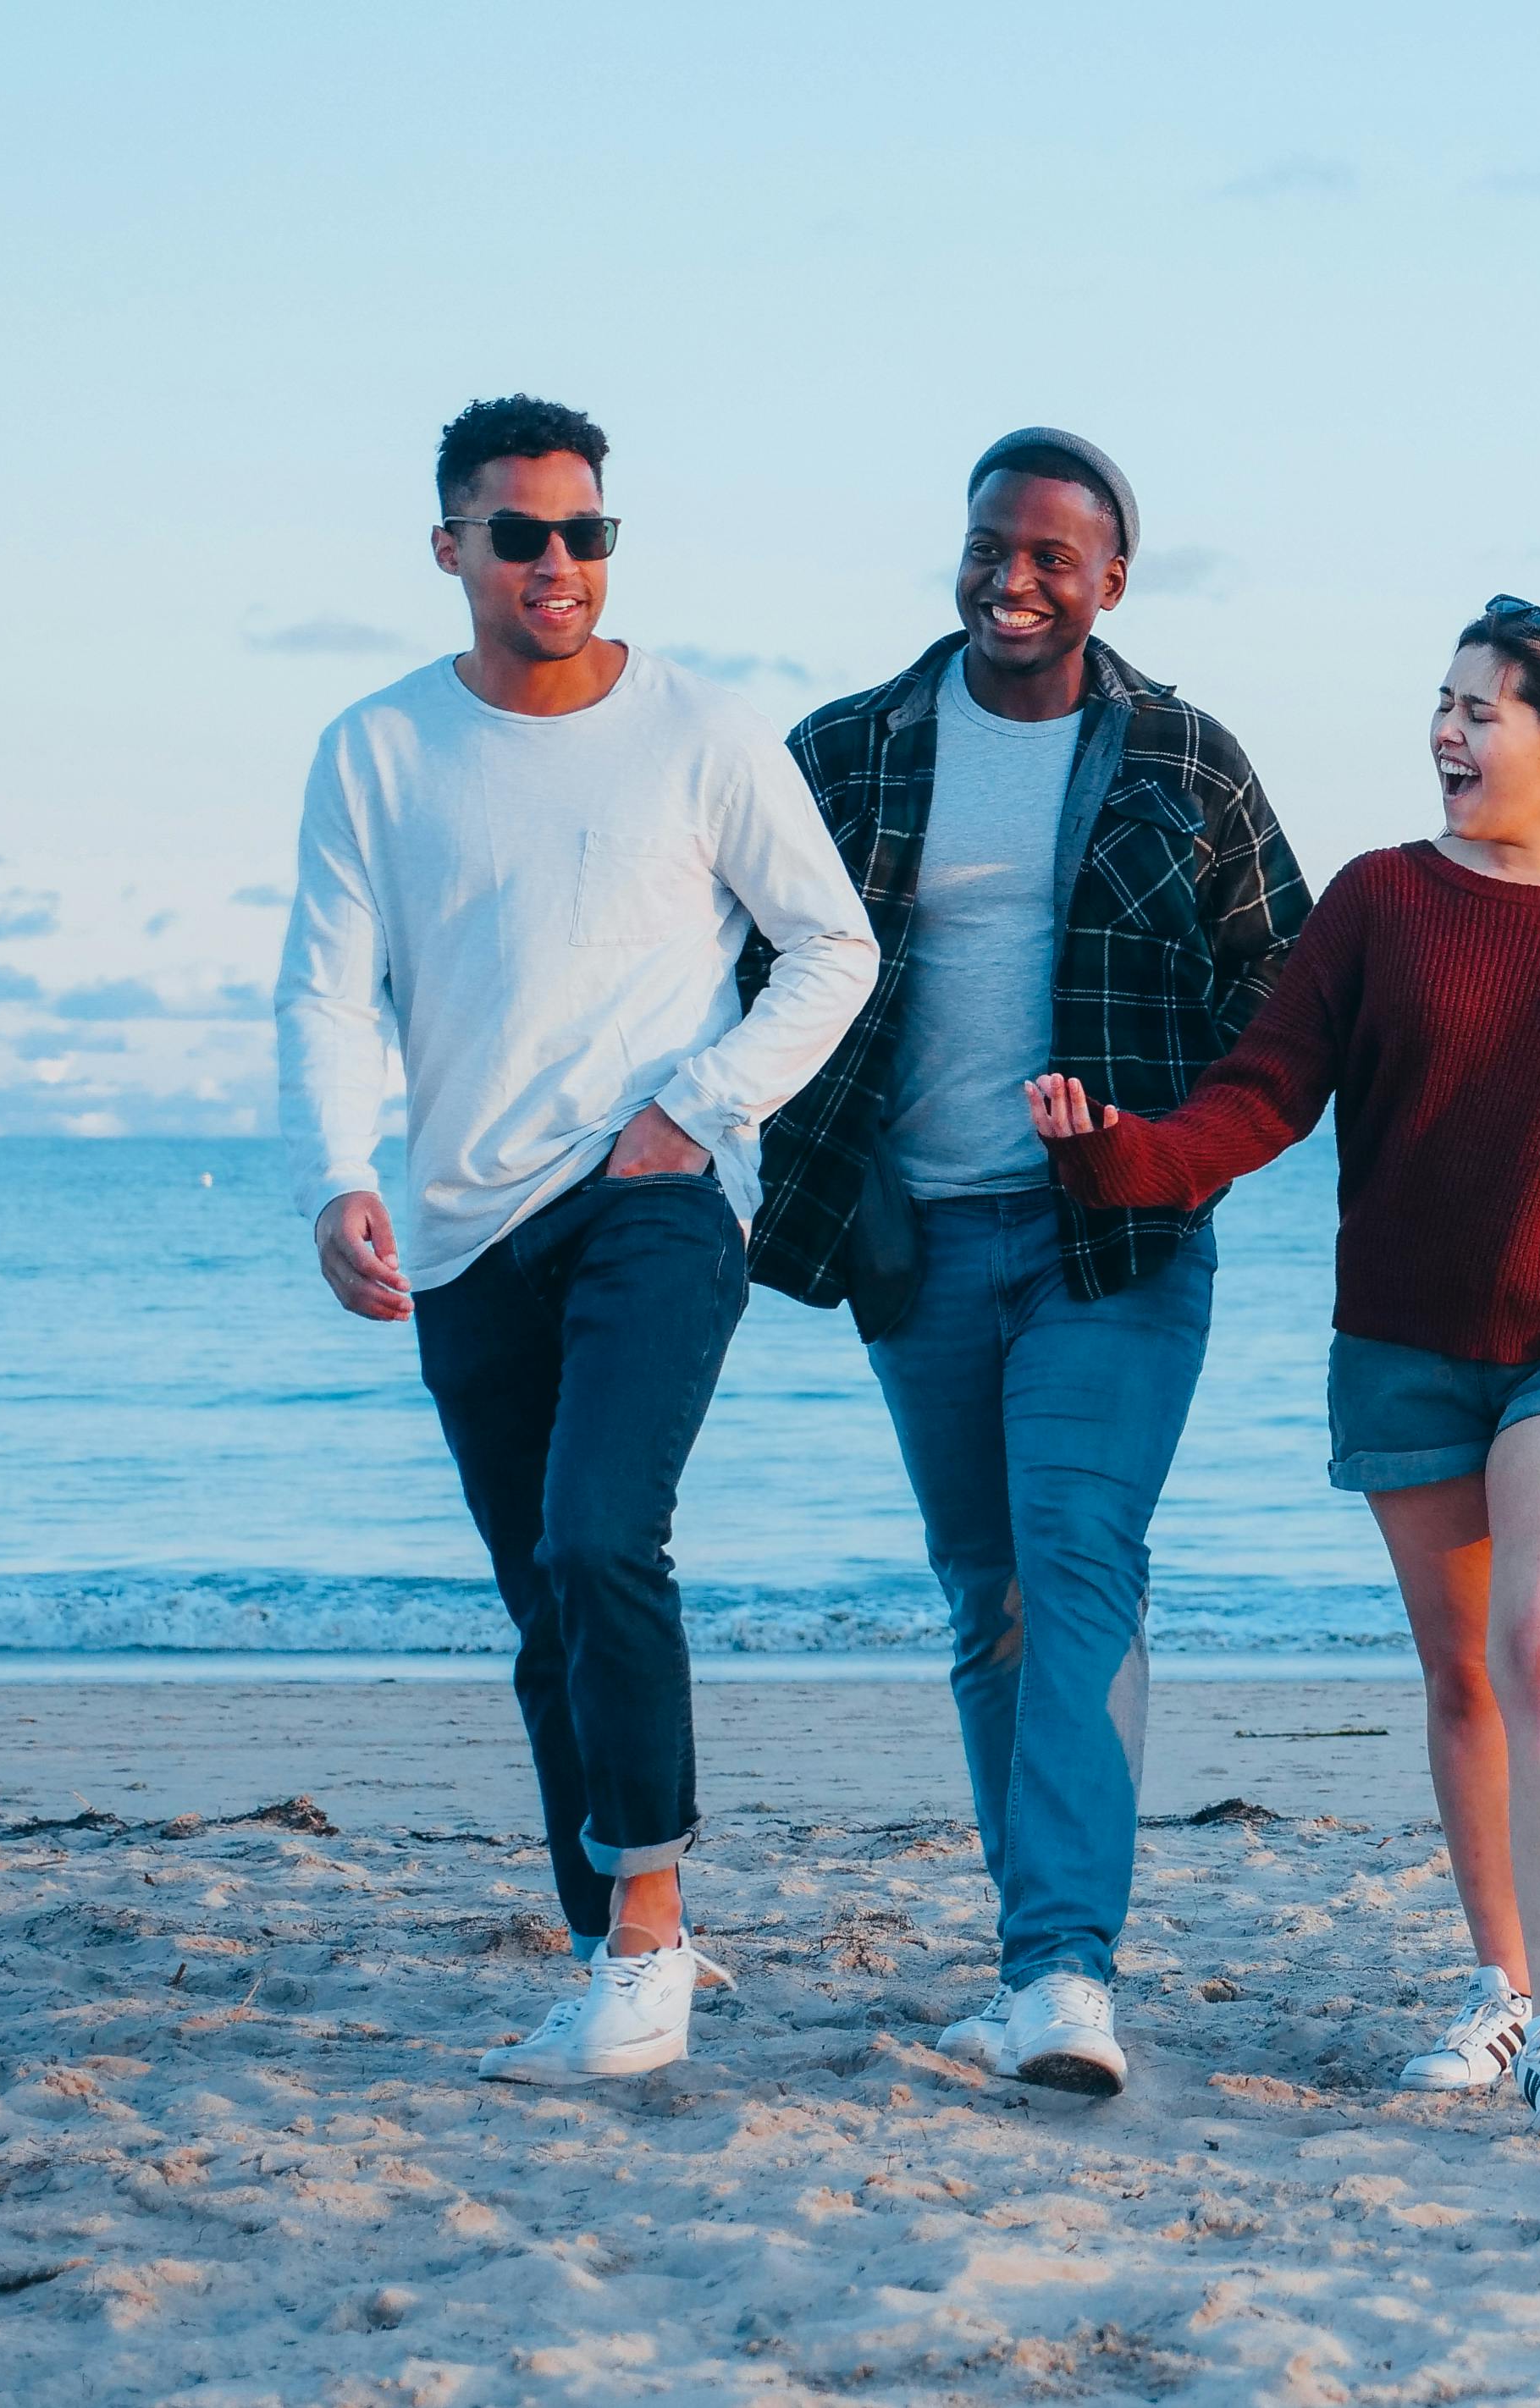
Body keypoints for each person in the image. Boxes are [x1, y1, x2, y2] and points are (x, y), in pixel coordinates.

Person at [1034, 598, 1540, 2140]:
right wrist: (1123, 1156)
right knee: (1463, 1680)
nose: (1448, 734)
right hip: (1405, 1344)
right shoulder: (1380, 902)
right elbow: (1260, 1099)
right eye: (1440, 704)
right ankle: (1502, 1994)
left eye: (1483, 711)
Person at [277, 394, 876, 2082]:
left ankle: (647, 1939)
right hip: (466, 1231)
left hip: (650, 1201)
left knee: (605, 1534)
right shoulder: (376, 749)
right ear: (451, 546)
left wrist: (699, 1104)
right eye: (522, 533)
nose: (559, 562)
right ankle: (622, 1926)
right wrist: (334, 1175)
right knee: (547, 1597)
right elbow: (324, 990)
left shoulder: (699, 731)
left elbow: (831, 944)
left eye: (585, 533)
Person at [748, 430, 1310, 2097]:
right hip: (913, 1244)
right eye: (991, 544)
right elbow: (734, 966)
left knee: (1076, 1570)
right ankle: (1035, 1957)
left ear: (1109, 580)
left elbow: (1277, 994)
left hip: (1112, 1240)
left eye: (1052, 556)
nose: (1012, 577)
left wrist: (1158, 1135)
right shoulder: (842, 751)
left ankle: (1063, 1970)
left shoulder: (1183, 759)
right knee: (986, 1602)